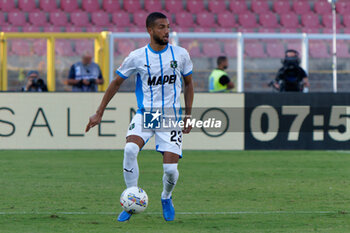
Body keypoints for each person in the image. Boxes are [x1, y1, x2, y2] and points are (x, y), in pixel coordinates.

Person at [85, 12, 194, 222]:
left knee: (171, 170)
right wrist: (99, 111)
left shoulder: (180, 54)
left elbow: (189, 84)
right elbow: (116, 83)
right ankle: (132, 198)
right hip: (147, 115)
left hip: (170, 117)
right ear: (150, 30)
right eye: (162, 27)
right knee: (130, 149)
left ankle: (166, 197)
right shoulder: (137, 57)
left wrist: (188, 114)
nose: (167, 31)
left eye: (168, 27)